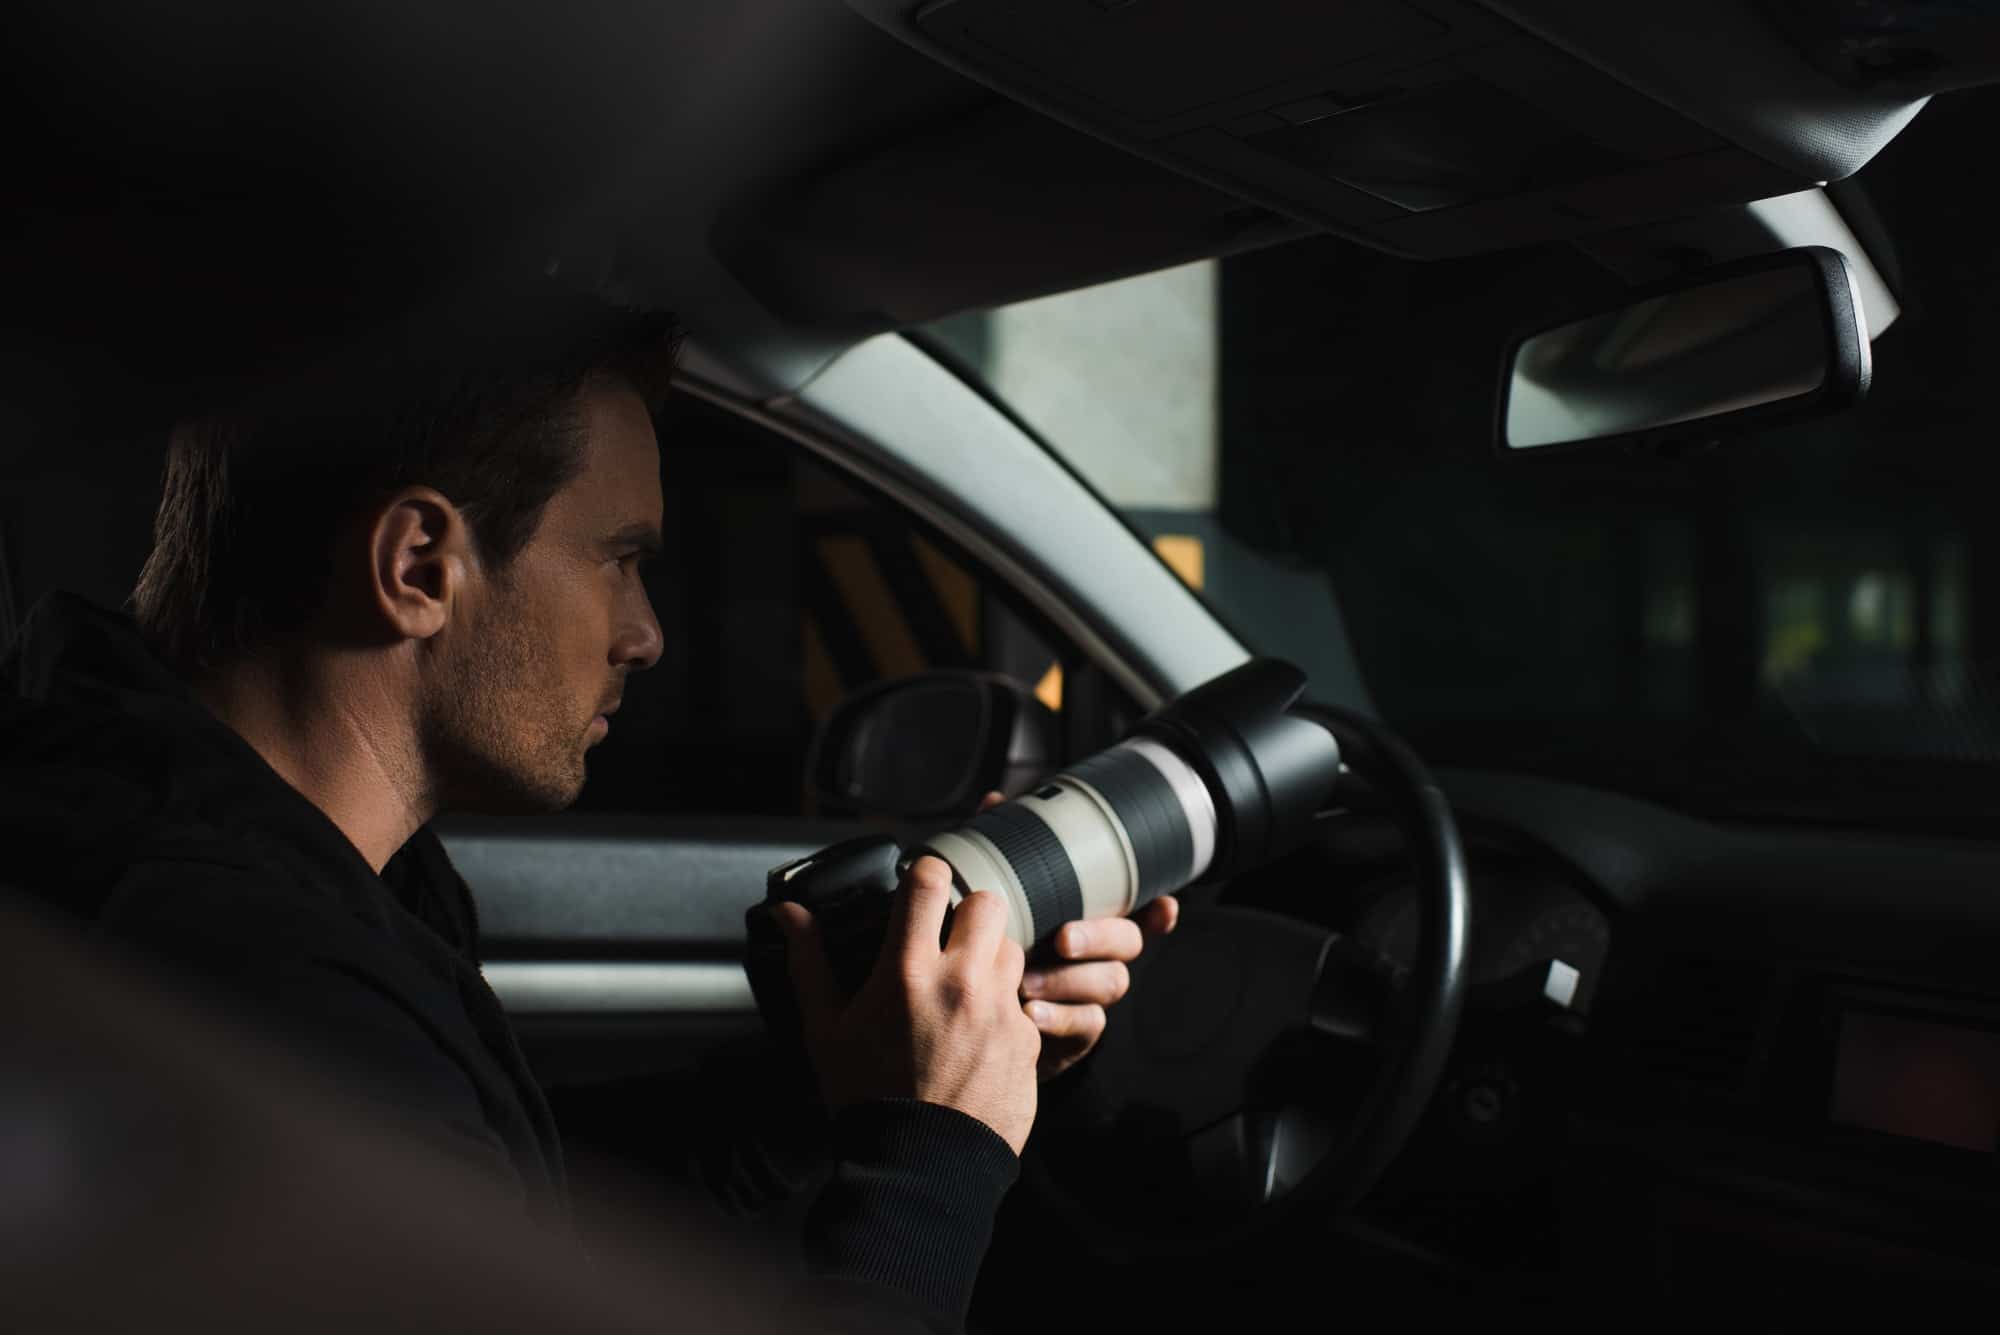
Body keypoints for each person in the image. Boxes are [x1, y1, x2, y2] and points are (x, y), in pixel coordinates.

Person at [0, 281, 1175, 1331]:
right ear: (418, 566)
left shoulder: (257, 841)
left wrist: (822, 1090)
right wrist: (934, 1155)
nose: (645, 633)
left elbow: (493, 1202)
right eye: (617, 558)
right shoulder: (253, 987)